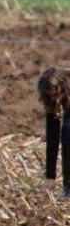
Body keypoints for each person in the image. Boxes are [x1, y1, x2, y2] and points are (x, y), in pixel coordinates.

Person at [37, 67, 70, 200]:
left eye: (55, 94)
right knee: (66, 133)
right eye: (49, 96)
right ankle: (68, 187)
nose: (53, 98)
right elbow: (52, 137)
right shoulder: (51, 99)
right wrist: (50, 176)